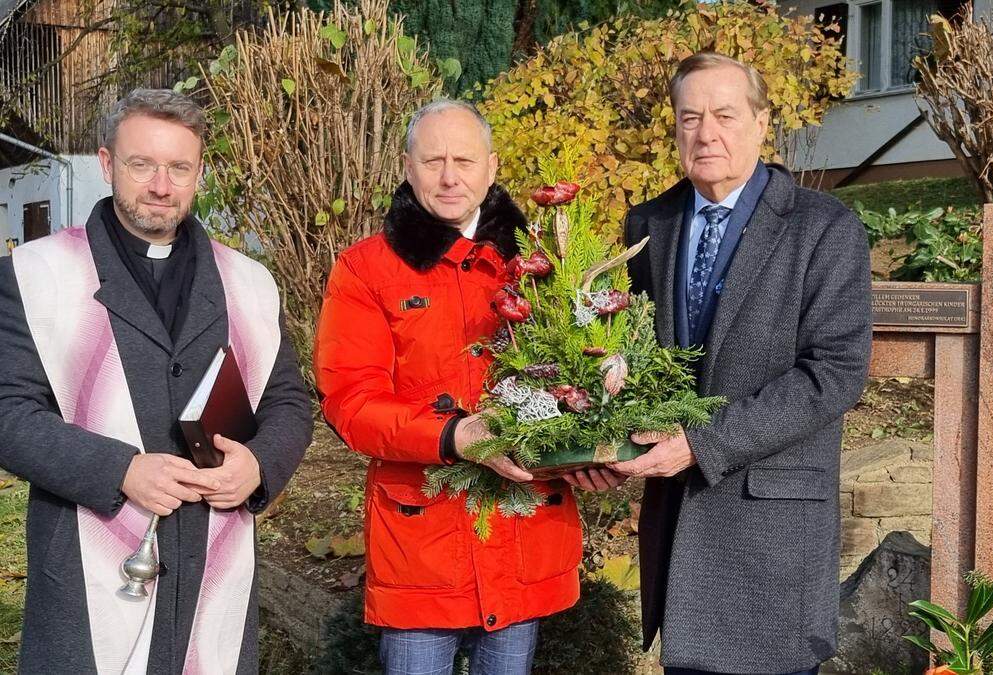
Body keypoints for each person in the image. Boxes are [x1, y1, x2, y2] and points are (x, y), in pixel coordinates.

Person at [0, 88, 312, 674]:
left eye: (179, 168)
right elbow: (8, 411)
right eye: (142, 164)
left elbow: (287, 400)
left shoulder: (247, 281)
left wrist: (260, 465)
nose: (161, 186)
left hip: (212, 549)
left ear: (199, 171)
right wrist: (118, 470)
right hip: (85, 558)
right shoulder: (34, 275)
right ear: (106, 163)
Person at [314, 99, 616, 675]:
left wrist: (596, 448)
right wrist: (455, 436)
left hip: (523, 526)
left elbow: (582, 373)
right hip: (422, 545)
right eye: (432, 161)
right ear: (407, 167)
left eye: (464, 160)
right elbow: (350, 402)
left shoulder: (544, 263)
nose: (450, 177)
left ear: (492, 167)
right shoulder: (366, 270)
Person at [610, 53, 873, 674]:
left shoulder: (826, 228)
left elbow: (834, 371)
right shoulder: (650, 223)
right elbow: (640, 355)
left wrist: (700, 443)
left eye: (725, 115)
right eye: (689, 118)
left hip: (771, 529)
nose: (706, 134)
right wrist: (608, 439)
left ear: (761, 123)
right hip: (679, 529)